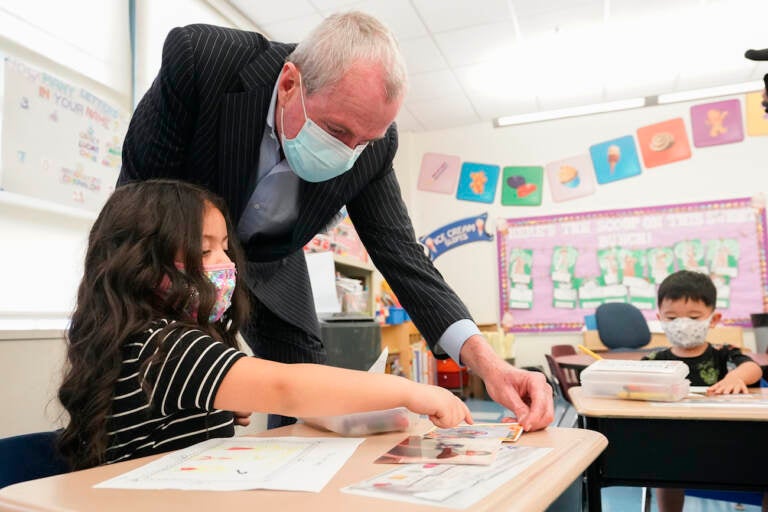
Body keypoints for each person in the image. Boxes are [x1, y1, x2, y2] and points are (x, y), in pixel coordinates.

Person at [118, 12, 553, 430]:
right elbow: (139, 205)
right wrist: (211, 345)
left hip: (273, 265)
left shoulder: (374, 147)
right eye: (338, 132)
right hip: (176, 254)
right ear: (289, 84)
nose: (349, 153)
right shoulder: (203, 59)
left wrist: (490, 365)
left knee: (309, 380)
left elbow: (402, 255)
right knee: (167, 392)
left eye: (365, 141)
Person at [57, 180, 472, 470]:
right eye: (204, 250)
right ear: (142, 263)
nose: (226, 263)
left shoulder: (150, 341)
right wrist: (414, 391)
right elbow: (286, 387)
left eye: (224, 247)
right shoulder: (164, 346)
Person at [642, 270, 762, 512]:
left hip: (725, 440)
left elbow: (753, 368)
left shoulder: (724, 355)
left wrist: (736, 377)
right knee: (666, 470)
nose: (683, 325)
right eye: (672, 317)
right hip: (675, 441)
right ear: (660, 318)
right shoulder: (654, 360)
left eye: (694, 317)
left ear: (714, 318)